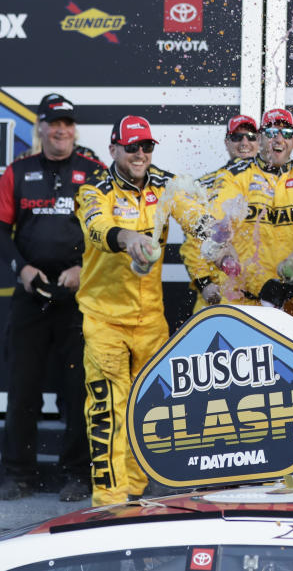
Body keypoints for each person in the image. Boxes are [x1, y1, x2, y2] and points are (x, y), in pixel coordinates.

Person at [76, 115, 208, 505]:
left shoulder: (166, 184)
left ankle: (134, 491)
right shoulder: (94, 189)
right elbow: (97, 229)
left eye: (146, 146)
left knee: (149, 407)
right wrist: (127, 237)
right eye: (131, 147)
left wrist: (213, 231)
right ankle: (108, 500)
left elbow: (192, 214)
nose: (139, 154)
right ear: (113, 148)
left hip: (151, 319)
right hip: (104, 319)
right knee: (108, 411)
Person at [0, 93, 104, 502]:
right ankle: (16, 473)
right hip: (31, 294)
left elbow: (107, 229)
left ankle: (77, 473)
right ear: (40, 128)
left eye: (68, 123)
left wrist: (85, 269)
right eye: (53, 123)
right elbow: (1, 231)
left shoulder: (94, 171)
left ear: (74, 129)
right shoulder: (18, 171)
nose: (61, 129)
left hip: (77, 295)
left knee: (78, 387)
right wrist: (22, 269)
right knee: (22, 387)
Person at [208, 108, 293, 320]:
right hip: (241, 304)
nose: (279, 139)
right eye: (271, 132)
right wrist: (225, 256)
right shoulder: (236, 175)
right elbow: (216, 226)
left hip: (289, 304)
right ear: (260, 138)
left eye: (286, 133)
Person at [179, 114, 258, 312]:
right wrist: (204, 283)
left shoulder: (275, 184)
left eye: (250, 136)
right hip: (220, 297)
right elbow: (193, 241)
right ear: (226, 142)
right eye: (236, 137)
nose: (244, 143)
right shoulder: (205, 185)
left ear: (260, 141)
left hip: (264, 299)